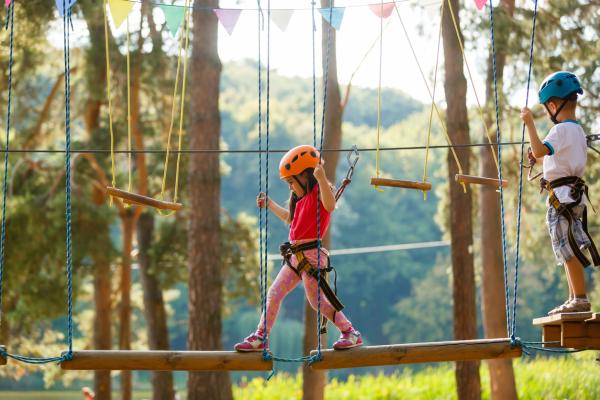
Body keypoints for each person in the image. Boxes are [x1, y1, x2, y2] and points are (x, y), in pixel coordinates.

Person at [235, 145, 362, 351]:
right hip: (295, 257)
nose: (290, 187)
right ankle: (261, 336)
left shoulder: (319, 193)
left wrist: (320, 178)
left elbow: (330, 206)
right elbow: (290, 219)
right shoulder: (300, 200)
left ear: (306, 176)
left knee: (316, 301)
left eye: (292, 181)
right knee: (274, 293)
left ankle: (350, 332)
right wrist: (270, 204)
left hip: (311, 257)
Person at [521, 71, 599, 315]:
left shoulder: (560, 130)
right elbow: (555, 156)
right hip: (573, 196)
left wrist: (530, 124)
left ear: (553, 105)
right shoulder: (577, 131)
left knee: (566, 248)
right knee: (569, 247)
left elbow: (540, 150)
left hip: (562, 198)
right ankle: (575, 296)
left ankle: (579, 297)